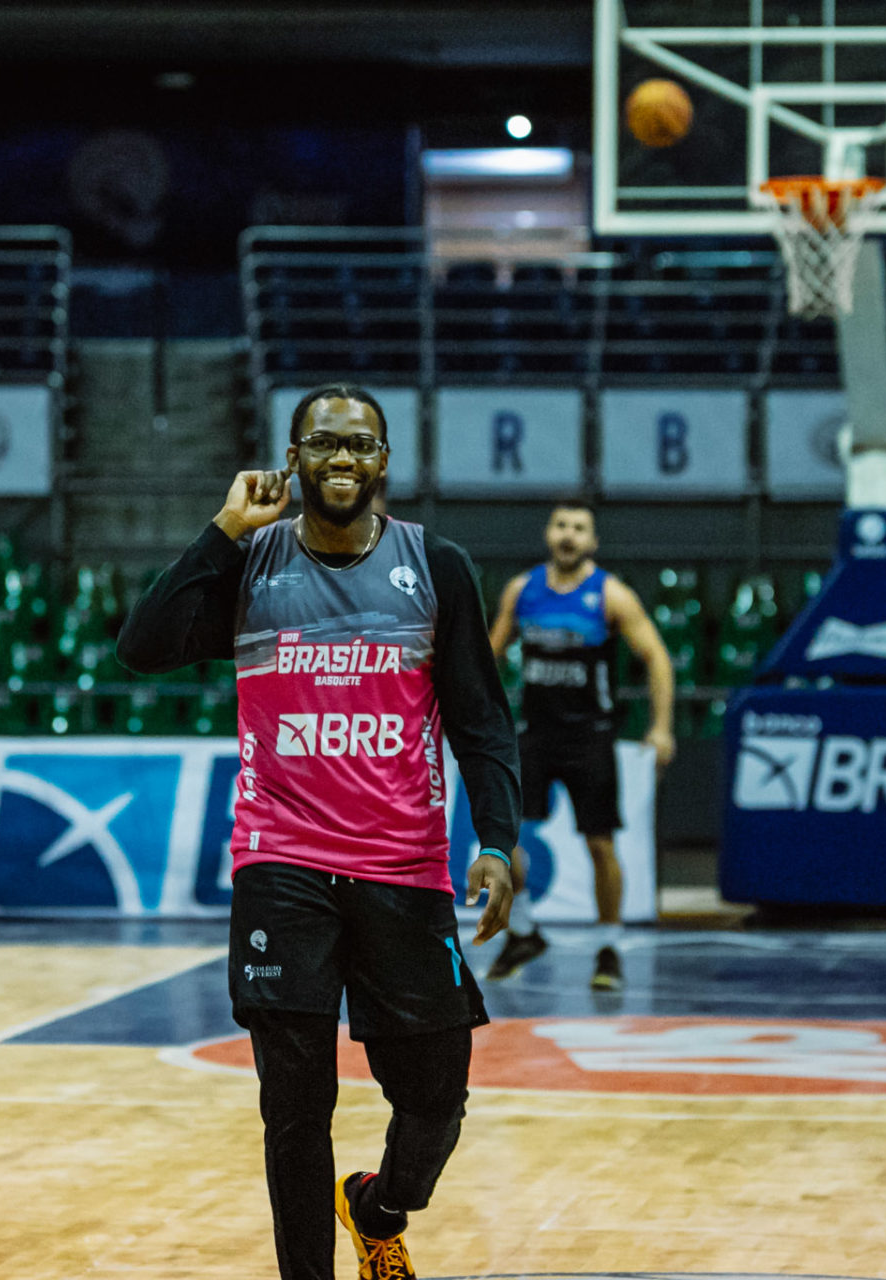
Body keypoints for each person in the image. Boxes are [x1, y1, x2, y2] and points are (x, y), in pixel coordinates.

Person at [118, 383, 521, 1280]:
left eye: (362, 446)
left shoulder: (437, 565)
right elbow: (141, 647)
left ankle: (379, 1209)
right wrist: (221, 531)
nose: (343, 460)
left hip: (404, 871)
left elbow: (482, 722)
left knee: (437, 1103)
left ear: (385, 462)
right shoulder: (251, 564)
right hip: (282, 864)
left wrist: (495, 840)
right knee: (294, 1110)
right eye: (324, 444)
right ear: (291, 458)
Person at [484, 499, 674, 992]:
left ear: (592, 542)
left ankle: (609, 944)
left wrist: (662, 727)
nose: (569, 535)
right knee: (504, 839)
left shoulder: (610, 594)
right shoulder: (522, 590)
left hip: (590, 735)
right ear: (549, 533)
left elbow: (657, 658)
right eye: (562, 525)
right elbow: (489, 658)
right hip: (536, 732)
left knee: (599, 843)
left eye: (579, 528)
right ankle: (523, 931)